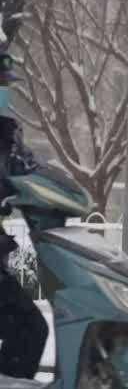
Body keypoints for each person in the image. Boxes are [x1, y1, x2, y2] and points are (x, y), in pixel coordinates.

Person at [0, 59, 45, 378]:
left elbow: (30, 173)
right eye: (1, 85)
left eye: (6, 86)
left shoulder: (6, 133)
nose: (5, 91)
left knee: (29, 327)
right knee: (29, 327)